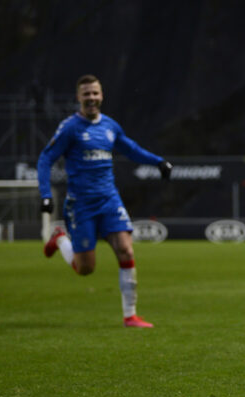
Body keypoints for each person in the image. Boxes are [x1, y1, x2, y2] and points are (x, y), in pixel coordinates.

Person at [37, 74, 172, 328]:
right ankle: (60, 238)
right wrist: (45, 195)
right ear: (78, 97)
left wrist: (158, 162)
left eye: (95, 93)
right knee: (85, 268)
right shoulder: (69, 128)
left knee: (126, 249)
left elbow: (131, 149)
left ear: (102, 96)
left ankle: (130, 315)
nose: (91, 98)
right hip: (81, 205)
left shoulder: (110, 126)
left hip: (109, 200)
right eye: (86, 94)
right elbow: (45, 159)